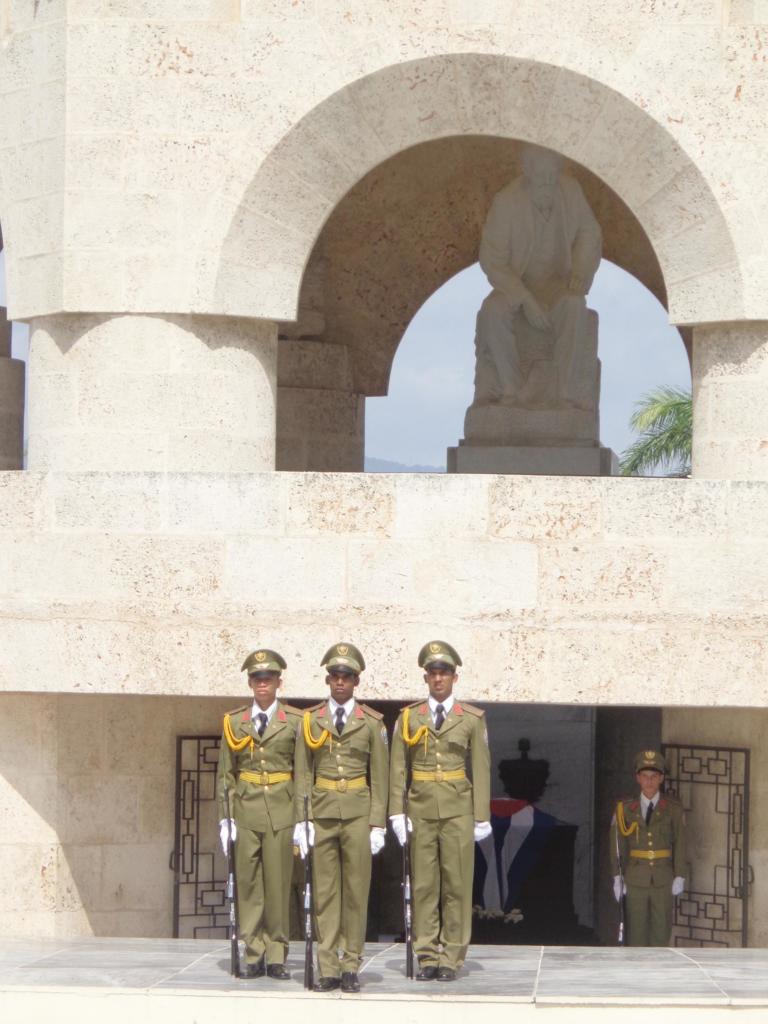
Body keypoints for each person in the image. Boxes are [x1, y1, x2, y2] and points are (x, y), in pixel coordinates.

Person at [389, 641, 491, 981]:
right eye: (432, 673)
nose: (438, 679)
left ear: (454, 677)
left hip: (457, 809)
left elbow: (480, 766)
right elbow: (398, 769)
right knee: (424, 885)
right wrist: (395, 812)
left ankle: (451, 956)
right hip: (419, 806)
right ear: (426, 677)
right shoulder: (409, 717)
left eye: (444, 673)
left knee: (457, 885)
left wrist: (481, 815)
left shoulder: (471, 719)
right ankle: (426, 954)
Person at [473, 144, 602, 409]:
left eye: (551, 174)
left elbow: (590, 233)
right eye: (540, 174)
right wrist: (524, 299)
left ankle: (565, 395)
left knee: (575, 306)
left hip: (558, 285)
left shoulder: (571, 191)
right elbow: (492, 258)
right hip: (518, 284)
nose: (546, 181)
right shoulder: (506, 202)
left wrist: (580, 271)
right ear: (526, 171)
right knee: (492, 310)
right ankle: (511, 390)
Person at [293, 642, 389, 993]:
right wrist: (302, 819)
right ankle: (328, 967)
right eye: (334, 676)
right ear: (327, 679)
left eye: (346, 677)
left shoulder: (372, 722)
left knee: (355, 892)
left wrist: (378, 823)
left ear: (356, 681)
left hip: (357, 814)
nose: (339, 682)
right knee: (325, 894)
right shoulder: (311, 719)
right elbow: (303, 770)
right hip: (321, 811)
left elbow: (380, 775)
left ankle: (351, 964)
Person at [216, 648, 303, 978]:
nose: (261, 684)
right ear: (250, 683)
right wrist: (225, 817)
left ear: (279, 682)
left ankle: (277, 952)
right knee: (249, 884)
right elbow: (226, 772)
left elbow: (302, 772)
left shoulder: (295, 722)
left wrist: (301, 819)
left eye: (267, 678)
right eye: (256, 678)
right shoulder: (234, 721)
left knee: (278, 884)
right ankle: (253, 950)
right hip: (246, 808)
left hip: (281, 808)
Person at [610, 750, 687, 946]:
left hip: (663, 878)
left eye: (654, 776)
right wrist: (617, 877)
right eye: (645, 776)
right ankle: (638, 974)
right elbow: (617, 845)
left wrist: (680, 874)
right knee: (636, 933)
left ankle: (659, 974)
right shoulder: (624, 809)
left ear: (661, 778)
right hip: (635, 878)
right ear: (638, 778)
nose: (649, 781)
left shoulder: (673, 809)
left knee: (661, 933)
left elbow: (680, 842)